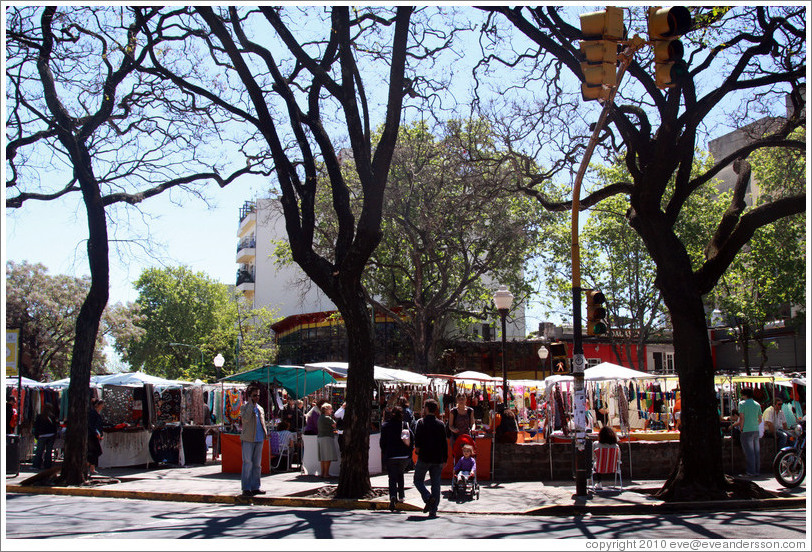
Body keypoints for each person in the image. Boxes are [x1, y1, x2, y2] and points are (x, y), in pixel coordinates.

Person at [413, 398, 447, 518]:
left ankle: (428, 497)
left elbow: (417, 441)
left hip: (424, 457)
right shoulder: (441, 424)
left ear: (427, 409)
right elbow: (444, 443)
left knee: (417, 480)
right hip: (437, 458)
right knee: (436, 484)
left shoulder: (421, 423)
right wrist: (445, 459)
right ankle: (433, 509)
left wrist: (417, 451)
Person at [380, 405, 413, 511]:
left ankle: (393, 496)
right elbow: (412, 438)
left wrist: (385, 452)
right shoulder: (404, 425)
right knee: (400, 474)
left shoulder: (385, 426)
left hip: (391, 455)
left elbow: (382, 442)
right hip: (404, 455)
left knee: (392, 477)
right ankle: (401, 495)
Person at [239, 384, 267, 496]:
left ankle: (255, 486)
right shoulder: (244, 407)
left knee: (257, 464)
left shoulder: (260, 408)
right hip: (248, 439)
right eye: (254, 395)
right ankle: (246, 487)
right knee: (247, 463)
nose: (257, 398)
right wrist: (250, 404)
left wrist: (265, 434)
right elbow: (245, 419)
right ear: (249, 396)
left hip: (259, 438)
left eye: (258, 395)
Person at [737, 388, 763, 477]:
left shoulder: (742, 404)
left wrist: (741, 428)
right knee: (756, 451)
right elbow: (760, 419)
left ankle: (750, 471)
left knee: (749, 452)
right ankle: (756, 471)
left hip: (746, 429)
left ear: (744, 395)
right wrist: (755, 424)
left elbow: (742, 418)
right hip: (755, 429)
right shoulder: (757, 404)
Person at [33, 403, 59, 470]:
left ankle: (37, 465)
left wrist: (36, 435)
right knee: (49, 451)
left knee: (39, 451)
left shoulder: (40, 416)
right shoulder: (52, 417)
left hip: (42, 435)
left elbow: (36, 426)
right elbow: (54, 427)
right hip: (51, 435)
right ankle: (47, 465)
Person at [317, 402, 339, 479]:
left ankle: (323, 473)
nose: (331, 410)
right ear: (326, 410)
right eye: (330, 409)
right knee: (327, 457)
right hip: (327, 437)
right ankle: (326, 473)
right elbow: (335, 425)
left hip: (320, 437)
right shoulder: (327, 418)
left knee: (323, 457)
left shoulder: (320, 417)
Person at [86, 399, 105, 476]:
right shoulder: (92, 413)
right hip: (91, 435)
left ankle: (90, 467)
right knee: (95, 451)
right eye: (102, 404)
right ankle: (89, 467)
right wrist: (96, 432)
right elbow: (91, 424)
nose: (103, 406)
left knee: (94, 451)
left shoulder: (96, 413)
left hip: (95, 434)